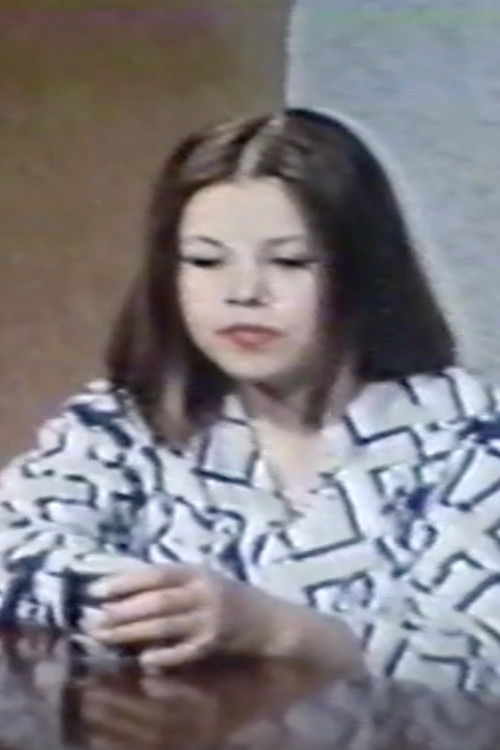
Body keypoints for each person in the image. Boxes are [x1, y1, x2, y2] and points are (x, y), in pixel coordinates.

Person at [1, 108, 499, 694]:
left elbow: (480, 653)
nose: (243, 293)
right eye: (205, 261)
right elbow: (13, 544)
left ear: (364, 269)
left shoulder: (465, 433)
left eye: (289, 262)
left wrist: (279, 631)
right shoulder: (123, 424)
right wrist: (156, 606)